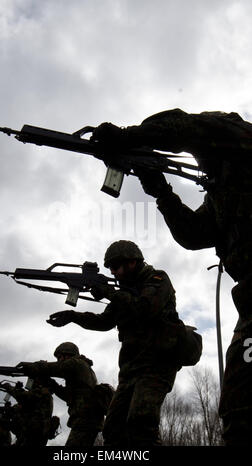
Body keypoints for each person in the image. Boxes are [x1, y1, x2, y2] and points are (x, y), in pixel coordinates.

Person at [89, 109, 252, 446]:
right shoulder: (221, 193)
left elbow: (183, 125)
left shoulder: (239, 141)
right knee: (240, 410)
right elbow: (193, 234)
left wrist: (129, 136)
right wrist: (162, 192)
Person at [48, 240, 181, 448]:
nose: (114, 273)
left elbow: (146, 308)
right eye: (110, 269)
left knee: (141, 425)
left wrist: (107, 292)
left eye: (116, 267)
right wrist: (73, 316)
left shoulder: (157, 279)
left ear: (132, 262)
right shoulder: (123, 293)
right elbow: (104, 322)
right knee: (113, 430)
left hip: (156, 364)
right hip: (130, 370)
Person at [16, 342, 104, 447]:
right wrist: (51, 384)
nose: (59, 360)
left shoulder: (77, 363)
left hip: (86, 418)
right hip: (86, 418)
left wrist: (34, 367)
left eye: (59, 357)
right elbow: (68, 396)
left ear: (68, 354)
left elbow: (57, 367)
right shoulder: (80, 368)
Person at [3, 379, 54, 446]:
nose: (30, 384)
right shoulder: (44, 394)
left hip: (34, 433)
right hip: (35, 433)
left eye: (31, 381)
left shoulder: (42, 392)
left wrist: (8, 387)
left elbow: (22, 396)